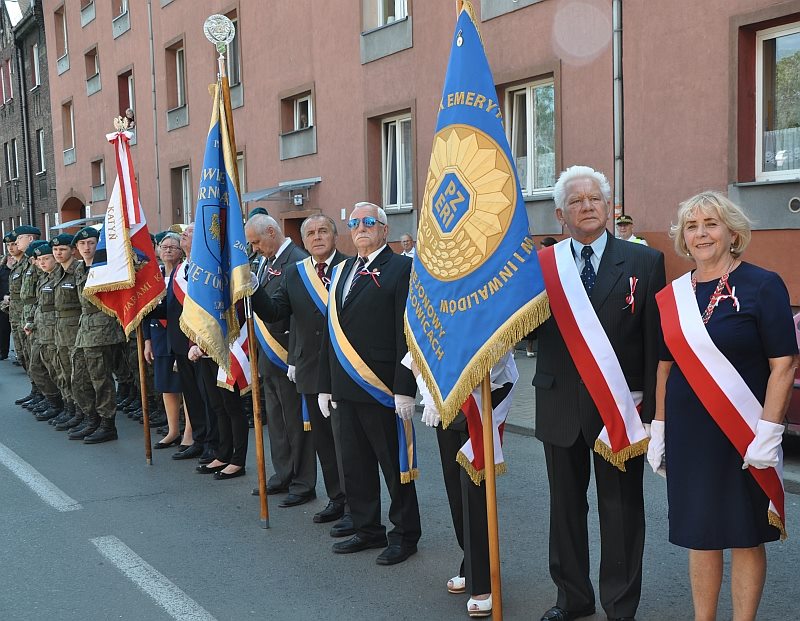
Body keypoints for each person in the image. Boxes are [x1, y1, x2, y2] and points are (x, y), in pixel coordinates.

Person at [648, 191, 797, 621]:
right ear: (683, 238)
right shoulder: (672, 296)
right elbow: (664, 368)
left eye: (711, 223)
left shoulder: (762, 285)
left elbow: (783, 364)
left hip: (744, 433)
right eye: (692, 226)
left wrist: (769, 433)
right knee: (701, 534)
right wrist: (659, 428)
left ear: (732, 232)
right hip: (690, 435)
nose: (701, 234)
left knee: (745, 535)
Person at [533, 165, 665, 621]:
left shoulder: (645, 262)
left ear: (609, 208)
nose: (586, 206)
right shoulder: (542, 267)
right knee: (564, 511)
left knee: (622, 513)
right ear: (560, 214)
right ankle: (572, 599)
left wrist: (654, 413)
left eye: (595, 199)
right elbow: (525, 332)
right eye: (576, 201)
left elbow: (654, 342)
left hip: (621, 408)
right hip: (559, 405)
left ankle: (620, 607)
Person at [317, 201, 421, 566]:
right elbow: (333, 332)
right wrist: (326, 384)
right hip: (346, 386)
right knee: (355, 464)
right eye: (355, 222)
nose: (360, 227)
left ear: (384, 230)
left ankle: (405, 534)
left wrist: (406, 387)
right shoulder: (344, 269)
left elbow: (406, 333)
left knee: (396, 467)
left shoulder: (401, 268)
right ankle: (367, 528)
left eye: (368, 222)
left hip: (384, 387)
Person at [250, 214, 353, 534]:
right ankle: (337, 498)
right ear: (304, 240)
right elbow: (276, 312)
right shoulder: (297, 274)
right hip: (310, 370)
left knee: (347, 444)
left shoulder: (351, 268)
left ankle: (356, 505)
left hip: (348, 370)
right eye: (310, 233)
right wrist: (253, 288)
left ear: (335, 236)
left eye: (323, 231)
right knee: (323, 441)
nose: (317, 237)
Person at [245, 214, 314, 504]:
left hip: (287, 353)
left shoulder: (296, 260)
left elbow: (296, 314)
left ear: (272, 232)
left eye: (257, 242)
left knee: (296, 423)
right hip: (268, 355)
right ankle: (283, 473)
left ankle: (302, 481)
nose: (255, 249)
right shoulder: (266, 261)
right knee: (275, 420)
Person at [70, 227, 128, 443]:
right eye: (82, 244)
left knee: (100, 379)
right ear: (77, 248)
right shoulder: (78, 269)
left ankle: (107, 424)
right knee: (80, 378)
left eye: (91, 243)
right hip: (84, 328)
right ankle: (91, 418)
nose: (87, 247)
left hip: (103, 328)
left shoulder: (107, 268)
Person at [143, 232, 190, 449]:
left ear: (181, 252)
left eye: (173, 246)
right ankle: (173, 430)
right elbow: (145, 310)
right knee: (166, 385)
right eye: (164, 246)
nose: (168, 249)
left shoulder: (184, 273)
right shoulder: (154, 276)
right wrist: (147, 341)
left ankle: (189, 432)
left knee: (186, 384)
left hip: (182, 335)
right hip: (160, 335)